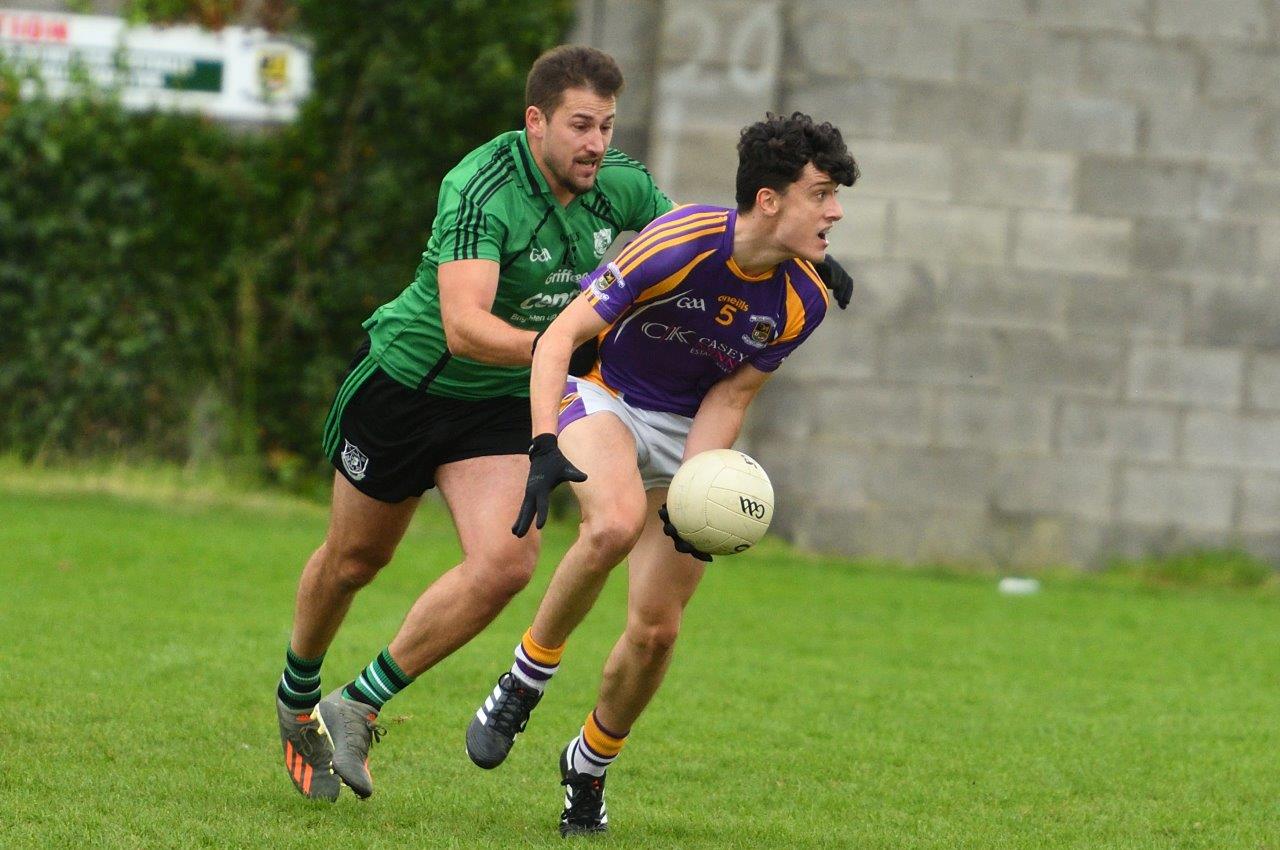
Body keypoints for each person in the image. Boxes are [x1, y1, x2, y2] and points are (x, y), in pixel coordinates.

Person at [274, 45, 676, 801]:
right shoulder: (482, 185)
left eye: (607, 126)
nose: (596, 144)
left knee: (508, 562)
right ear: (536, 122)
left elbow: (690, 250)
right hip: (407, 385)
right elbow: (464, 327)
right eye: (580, 125)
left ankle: (356, 704)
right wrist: (566, 346)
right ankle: (298, 698)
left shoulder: (617, 186)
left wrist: (782, 256)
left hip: (498, 402)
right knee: (355, 561)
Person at [463, 111, 859, 836]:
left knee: (657, 633)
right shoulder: (677, 242)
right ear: (769, 200)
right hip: (605, 395)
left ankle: (588, 765)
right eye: (822, 193)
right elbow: (562, 336)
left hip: (685, 430)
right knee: (612, 524)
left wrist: (697, 487)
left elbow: (731, 394)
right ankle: (526, 676)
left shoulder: (801, 300)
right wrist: (544, 440)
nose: (835, 211)